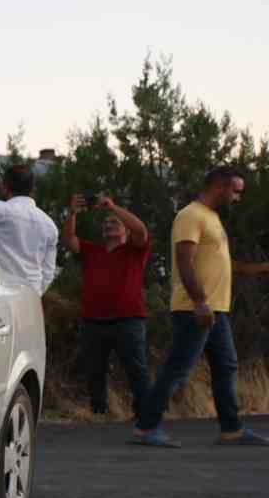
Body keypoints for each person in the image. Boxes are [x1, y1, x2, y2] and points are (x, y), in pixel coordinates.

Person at [133, 166, 269, 447]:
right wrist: (200, 302)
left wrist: (259, 268)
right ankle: (147, 428)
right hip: (195, 308)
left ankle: (231, 430)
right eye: (236, 191)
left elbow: (220, 263)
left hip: (215, 309)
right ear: (219, 187)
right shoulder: (190, 215)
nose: (237, 198)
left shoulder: (212, 218)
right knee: (178, 368)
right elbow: (185, 261)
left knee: (226, 366)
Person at [63, 192, 151, 415]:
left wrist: (113, 207)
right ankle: (99, 412)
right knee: (95, 371)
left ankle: (145, 414)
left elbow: (141, 230)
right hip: (93, 321)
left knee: (136, 369)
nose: (108, 224)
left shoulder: (134, 250)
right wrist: (72, 212)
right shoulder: (93, 251)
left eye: (114, 222)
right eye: (105, 223)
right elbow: (69, 241)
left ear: (125, 230)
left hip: (128, 320)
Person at [0, 164, 59, 295]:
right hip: (31, 297)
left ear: (4, 186)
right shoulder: (50, 226)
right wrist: (36, 294)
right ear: (32, 189)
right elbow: (49, 273)